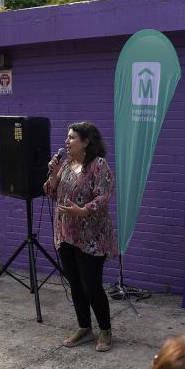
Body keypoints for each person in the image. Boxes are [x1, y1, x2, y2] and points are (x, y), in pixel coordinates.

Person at [44, 122, 118, 352]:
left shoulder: (99, 166)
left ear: (86, 142)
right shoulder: (65, 165)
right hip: (66, 233)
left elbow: (103, 197)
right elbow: (49, 192)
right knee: (75, 283)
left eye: (72, 138)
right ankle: (84, 327)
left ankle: (105, 330)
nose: (67, 142)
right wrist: (54, 175)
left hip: (91, 236)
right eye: (67, 137)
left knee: (92, 285)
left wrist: (83, 210)